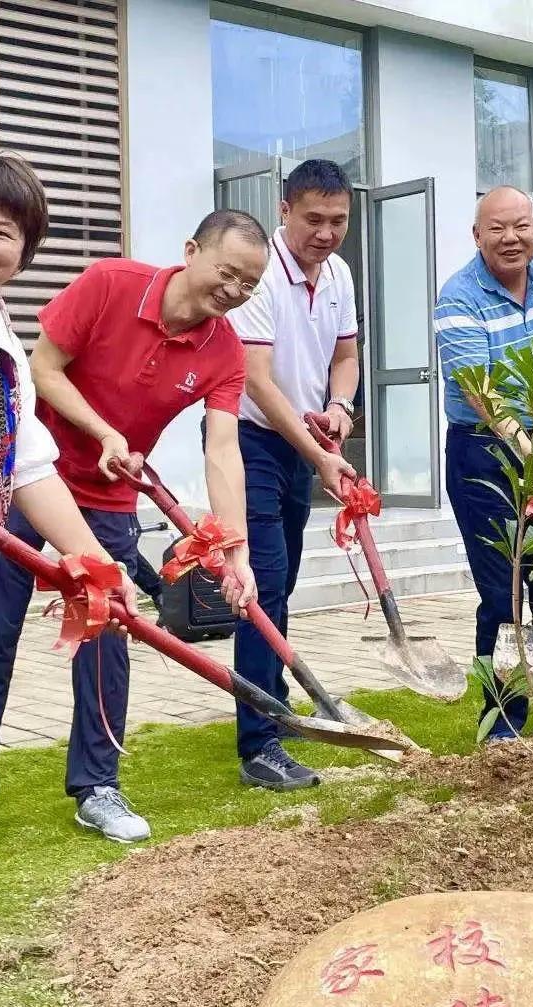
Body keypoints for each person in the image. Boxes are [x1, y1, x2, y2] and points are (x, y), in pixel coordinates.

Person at [0, 207, 266, 851]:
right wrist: (105, 432)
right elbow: (42, 370)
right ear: (191, 251)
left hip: (110, 498)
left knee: (108, 640)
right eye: (228, 272)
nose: (234, 291)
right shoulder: (111, 284)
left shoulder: (225, 350)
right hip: (22, 481)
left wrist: (236, 552)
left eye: (249, 285)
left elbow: (223, 449)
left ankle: (97, 786)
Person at [0, 150, 140, 857]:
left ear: (21, 256)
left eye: (0, 232)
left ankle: (93, 787)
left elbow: (25, 465)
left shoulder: (4, 355)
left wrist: (95, 564)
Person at [434, 185, 533, 740]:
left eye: (521, 226)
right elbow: (479, 391)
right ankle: (504, 716)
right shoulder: (458, 296)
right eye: (496, 229)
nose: (511, 238)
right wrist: (532, 451)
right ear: (476, 236)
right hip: (483, 451)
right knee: (503, 589)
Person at [226, 159, 357, 790]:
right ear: (285, 211)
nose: (326, 233)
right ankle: (259, 743)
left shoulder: (339, 274)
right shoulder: (260, 273)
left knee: (286, 579)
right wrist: (319, 455)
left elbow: (346, 356)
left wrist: (341, 406)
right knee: (264, 583)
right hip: (249, 441)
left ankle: (271, 699)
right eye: (313, 219)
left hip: (302, 443)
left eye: (338, 221)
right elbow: (256, 380)